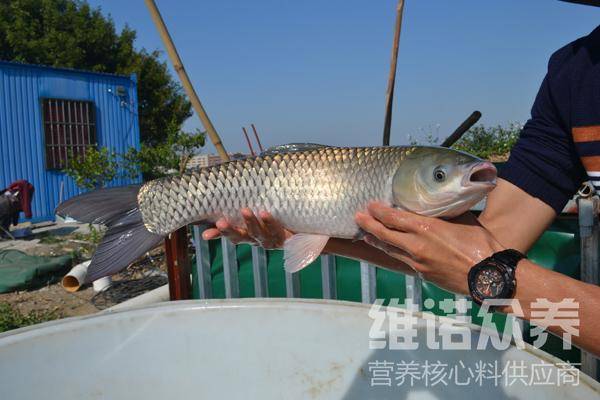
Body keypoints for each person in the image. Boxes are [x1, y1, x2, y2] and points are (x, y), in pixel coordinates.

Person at [203, 4, 600, 356]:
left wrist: (495, 278)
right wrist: (312, 232)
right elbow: (487, 244)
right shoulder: (573, 74)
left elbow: (481, 262)